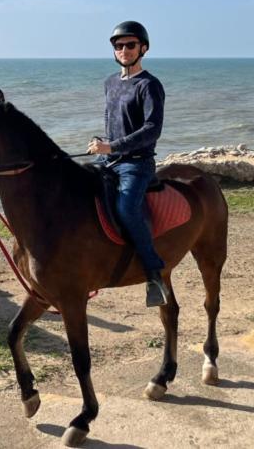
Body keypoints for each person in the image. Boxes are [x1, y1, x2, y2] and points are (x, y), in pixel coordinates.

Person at [87, 21, 169, 307]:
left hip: (137, 163)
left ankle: (154, 274)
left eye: (130, 45)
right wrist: (103, 142)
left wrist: (113, 146)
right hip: (108, 158)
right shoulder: (110, 82)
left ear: (143, 48)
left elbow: (151, 129)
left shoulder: (149, 85)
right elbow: (116, 123)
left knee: (125, 208)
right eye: (118, 46)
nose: (123, 50)